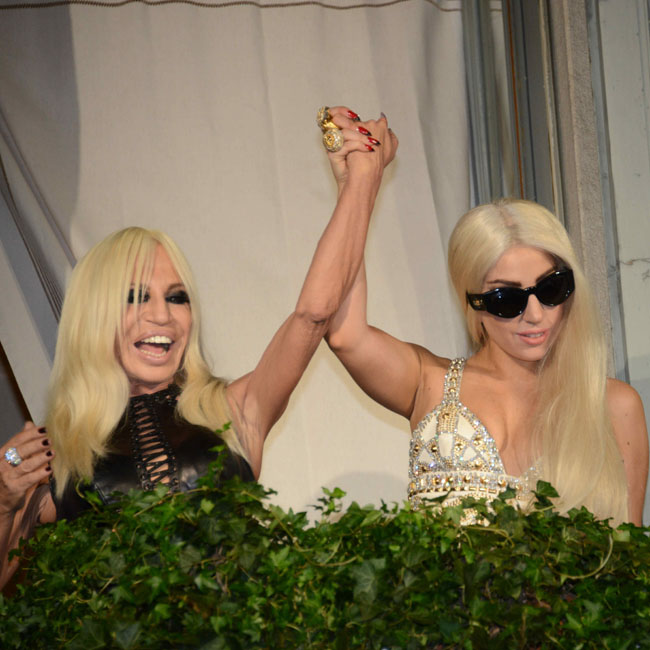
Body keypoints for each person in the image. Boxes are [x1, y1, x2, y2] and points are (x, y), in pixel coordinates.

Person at [0, 106, 398, 589]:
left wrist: (359, 183)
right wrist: (4, 501)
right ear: (94, 315)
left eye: (176, 297)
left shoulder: (234, 410)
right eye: (136, 297)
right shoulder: (60, 449)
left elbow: (313, 315)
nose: (162, 316)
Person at [326, 198, 648, 525]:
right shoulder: (429, 380)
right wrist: (357, 185)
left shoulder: (613, 405)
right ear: (473, 303)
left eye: (551, 289)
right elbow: (342, 332)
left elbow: (629, 547)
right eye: (506, 299)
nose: (535, 315)